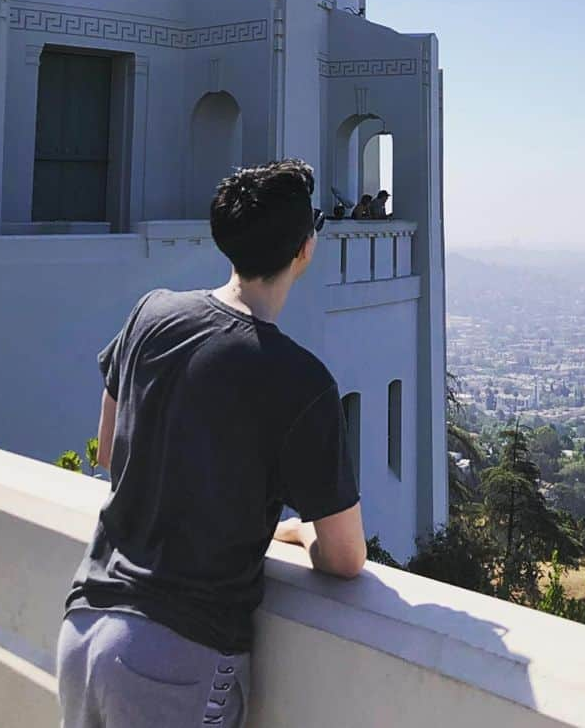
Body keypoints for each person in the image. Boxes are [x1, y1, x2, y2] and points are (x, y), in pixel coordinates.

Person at [57, 159, 364, 728]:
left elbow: (109, 453)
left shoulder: (151, 313)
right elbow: (346, 558)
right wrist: (298, 532)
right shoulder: (301, 381)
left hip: (84, 627)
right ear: (304, 249)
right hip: (177, 655)